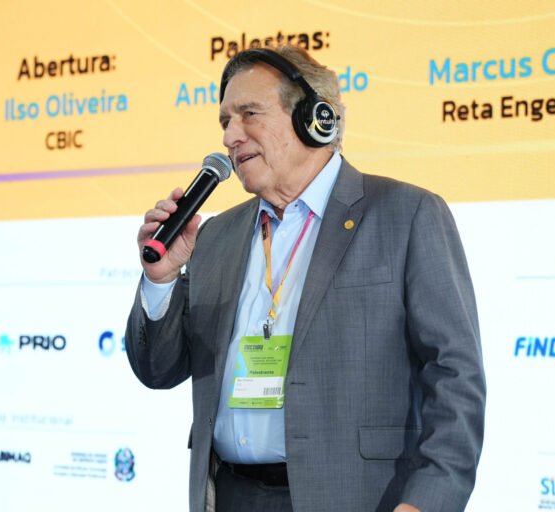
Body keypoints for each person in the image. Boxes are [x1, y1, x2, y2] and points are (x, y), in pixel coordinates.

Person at [125, 44, 486, 512]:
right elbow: (158, 370)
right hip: (229, 495)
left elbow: (455, 374)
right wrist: (161, 280)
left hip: (357, 498)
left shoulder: (406, 214)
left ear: (316, 119)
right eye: (225, 121)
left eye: (249, 114)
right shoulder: (215, 235)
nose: (230, 136)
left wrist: (427, 502)